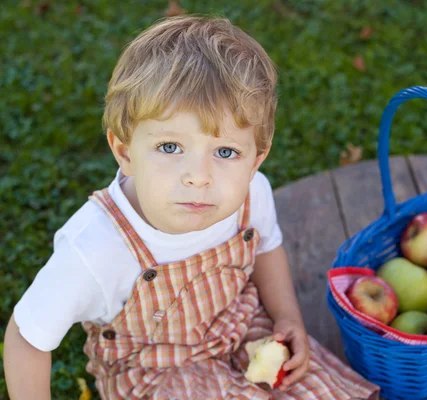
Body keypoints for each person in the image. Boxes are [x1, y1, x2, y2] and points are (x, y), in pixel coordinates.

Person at [3, 15, 380, 400]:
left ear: (256, 160)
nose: (199, 176)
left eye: (226, 152)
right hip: (157, 373)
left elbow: (266, 248)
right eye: (170, 147)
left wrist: (287, 317)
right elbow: (26, 338)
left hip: (239, 326)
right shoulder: (96, 249)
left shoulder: (252, 194)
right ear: (124, 152)